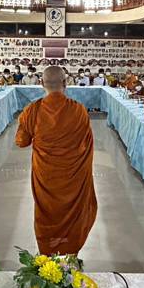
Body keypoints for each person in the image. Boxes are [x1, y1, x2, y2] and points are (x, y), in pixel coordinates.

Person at [15, 66, 97, 254]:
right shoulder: (79, 110)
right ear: (66, 83)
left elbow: (21, 142)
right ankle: (70, 254)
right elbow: (85, 144)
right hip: (73, 176)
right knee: (73, 213)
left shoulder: (32, 110)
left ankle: (47, 255)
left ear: (41, 83)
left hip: (46, 176)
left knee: (47, 212)